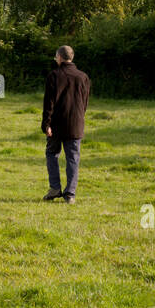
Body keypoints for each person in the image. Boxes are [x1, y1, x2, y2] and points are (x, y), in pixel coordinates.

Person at [42, 44, 90, 204]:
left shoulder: (54, 76)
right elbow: (85, 103)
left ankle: (55, 188)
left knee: (52, 154)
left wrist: (46, 123)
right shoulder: (83, 77)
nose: (56, 59)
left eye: (56, 57)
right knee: (73, 158)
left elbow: (49, 103)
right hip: (76, 123)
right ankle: (70, 193)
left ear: (60, 57)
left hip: (56, 124)